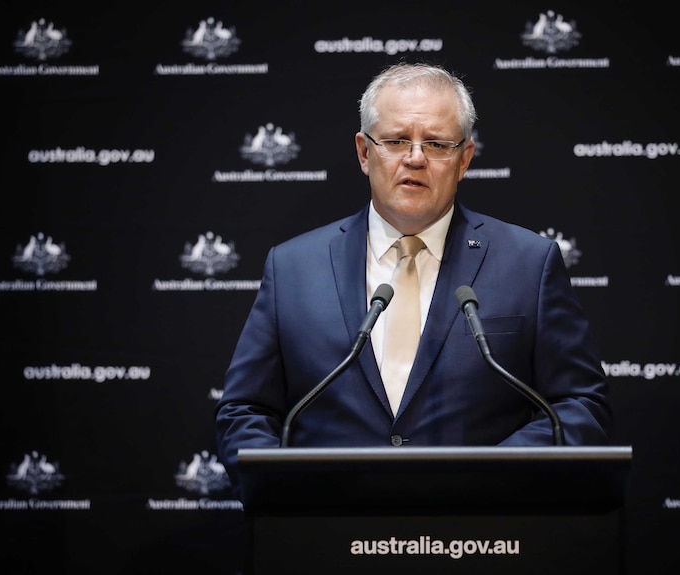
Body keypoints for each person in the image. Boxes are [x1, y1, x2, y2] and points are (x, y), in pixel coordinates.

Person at [215, 61, 613, 498]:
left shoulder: (529, 263)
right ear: (365, 153)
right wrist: (288, 495)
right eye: (396, 140)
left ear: (464, 160)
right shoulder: (292, 267)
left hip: (482, 532)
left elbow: (580, 408)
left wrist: (489, 477)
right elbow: (245, 410)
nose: (416, 158)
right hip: (328, 530)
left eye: (438, 144)